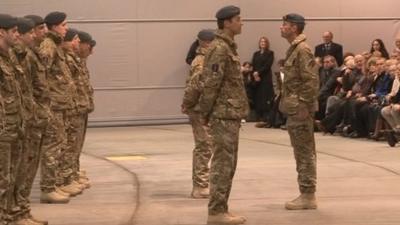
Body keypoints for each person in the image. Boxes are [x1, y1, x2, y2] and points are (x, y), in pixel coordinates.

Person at [198, 5, 248, 225]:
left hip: (230, 114)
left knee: (229, 163)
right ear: (227, 23)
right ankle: (216, 212)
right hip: (222, 114)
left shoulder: (228, 47)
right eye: (238, 19)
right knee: (222, 164)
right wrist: (206, 113)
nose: (241, 22)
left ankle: (222, 209)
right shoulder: (219, 48)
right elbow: (211, 83)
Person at [39, 11, 82, 203]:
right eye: (64, 25)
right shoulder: (48, 45)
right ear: (55, 26)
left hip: (61, 103)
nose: (66, 28)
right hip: (54, 105)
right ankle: (48, 187)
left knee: (59, 143)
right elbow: (41, 72)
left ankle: (56, 183)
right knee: (53, 145)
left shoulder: (55, 45)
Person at [279, 13, 319, 210]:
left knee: (304, 152)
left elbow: (311, 81)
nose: (281, 27)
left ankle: (308, 195)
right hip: (294, 107)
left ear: (294, 27)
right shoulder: (294, 49)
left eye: (285, 24)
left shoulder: (303, 49)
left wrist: (303, 104)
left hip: (300, 109)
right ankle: (306, 193)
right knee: (301, 151)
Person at [181, 29, 215, 199]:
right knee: (204, 146)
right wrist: (187, 104)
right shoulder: (201, 61)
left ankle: (203, 183)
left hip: (204, 109)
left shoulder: (207, 59)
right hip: (199, 109)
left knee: (207, 146)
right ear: (206, 43)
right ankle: (200, 186)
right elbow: (194, 86)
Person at [251, 36, 274, 128]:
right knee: (258, 96)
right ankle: (258, 116)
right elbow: (253, 64)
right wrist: (255, 74)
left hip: (265, 78)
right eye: (261, 42)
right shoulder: (256, 54)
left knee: (265, 96)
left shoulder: (270, 53)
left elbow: (267, 65)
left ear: (267, 43)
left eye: (264, 42)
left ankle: (265, 117)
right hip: (256, 78)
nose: (263, 43)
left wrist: (258, 73)